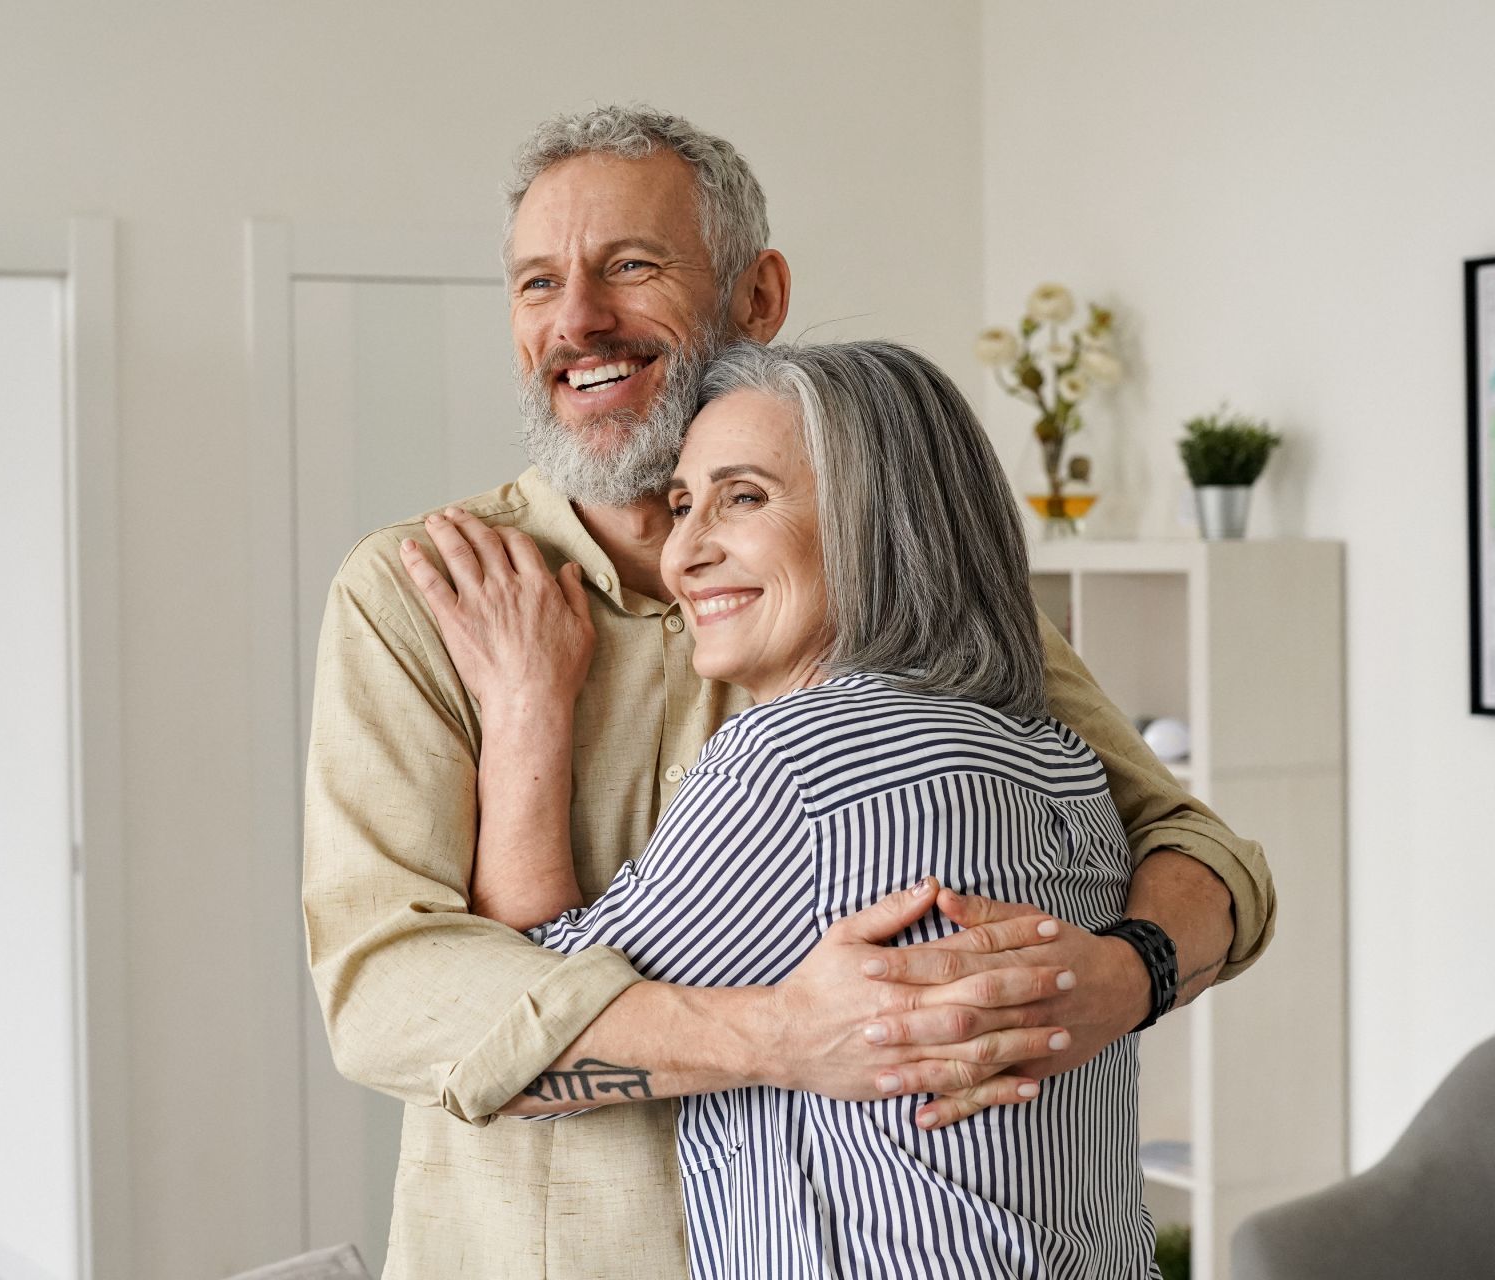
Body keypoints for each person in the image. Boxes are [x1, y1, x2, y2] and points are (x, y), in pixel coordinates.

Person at [302, 104, 1274, 1279]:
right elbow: (388, 991)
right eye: (535, 284)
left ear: (758, 297)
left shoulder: (905, 596)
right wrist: (780, 1034)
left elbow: (1199, 851)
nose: (576, 321)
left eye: (630, 267)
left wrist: (1122, 975)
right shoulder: (419, 596)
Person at [412, 339, 1160, 1278]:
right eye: (683, 504)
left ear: (877, 525)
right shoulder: (1065, 764)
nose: (685, 553)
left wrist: (527, 706)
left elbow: (526, 1035)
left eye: (745, 498)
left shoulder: (799, 761)